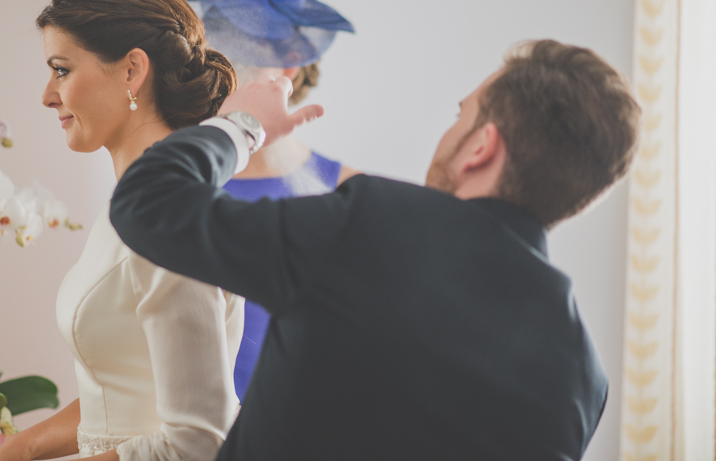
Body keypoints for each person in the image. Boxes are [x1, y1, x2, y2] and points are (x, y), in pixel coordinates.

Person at [110, 39, 642, 461]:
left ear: (482, 146)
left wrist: (242, 124)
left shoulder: (373, 223)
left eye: (461, 115)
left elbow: (149, 203)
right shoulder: (582, 382)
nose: (448, 131)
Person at [0, 0, 243, 461]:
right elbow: (126, 392)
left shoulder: (170, 218)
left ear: (131, 70)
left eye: (61, 69)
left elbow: (197, 442)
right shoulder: (134, 204)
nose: (47, 94)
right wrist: (20, 449)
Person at [173, 0, 357, 399]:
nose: (221, 77)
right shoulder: (173, 185)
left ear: (289, 67)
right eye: (210, 57)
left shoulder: (349, 192)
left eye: (241, 53)